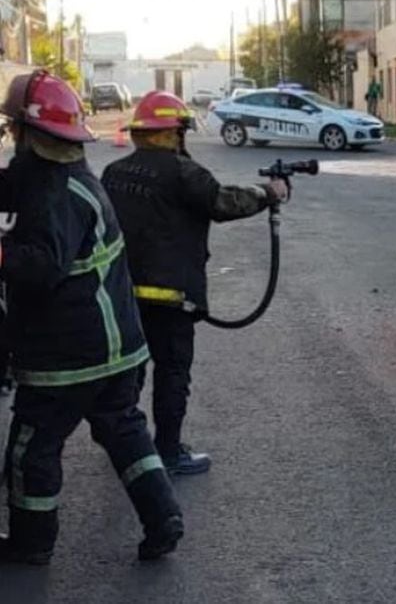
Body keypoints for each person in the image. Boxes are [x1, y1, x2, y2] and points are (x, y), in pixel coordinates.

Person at [0, 71, 183, 564]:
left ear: (27, 132)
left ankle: (30, 545)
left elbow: (39, 266)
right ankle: (163, 515)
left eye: (12, 128)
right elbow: (10, 185)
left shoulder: (51, 195)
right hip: (118, 350)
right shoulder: (61, 176)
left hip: (69, 356)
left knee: (31, 449)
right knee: (125, 432)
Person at [102, 91, 287, 476]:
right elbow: (222, 202)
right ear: (176, 132)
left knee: (129, 371)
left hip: (122, 296)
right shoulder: (184, 173)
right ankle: (168, 453)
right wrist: (270, 193)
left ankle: (127, 448)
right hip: (171, 297)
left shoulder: (114, 173)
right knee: (171, 373)